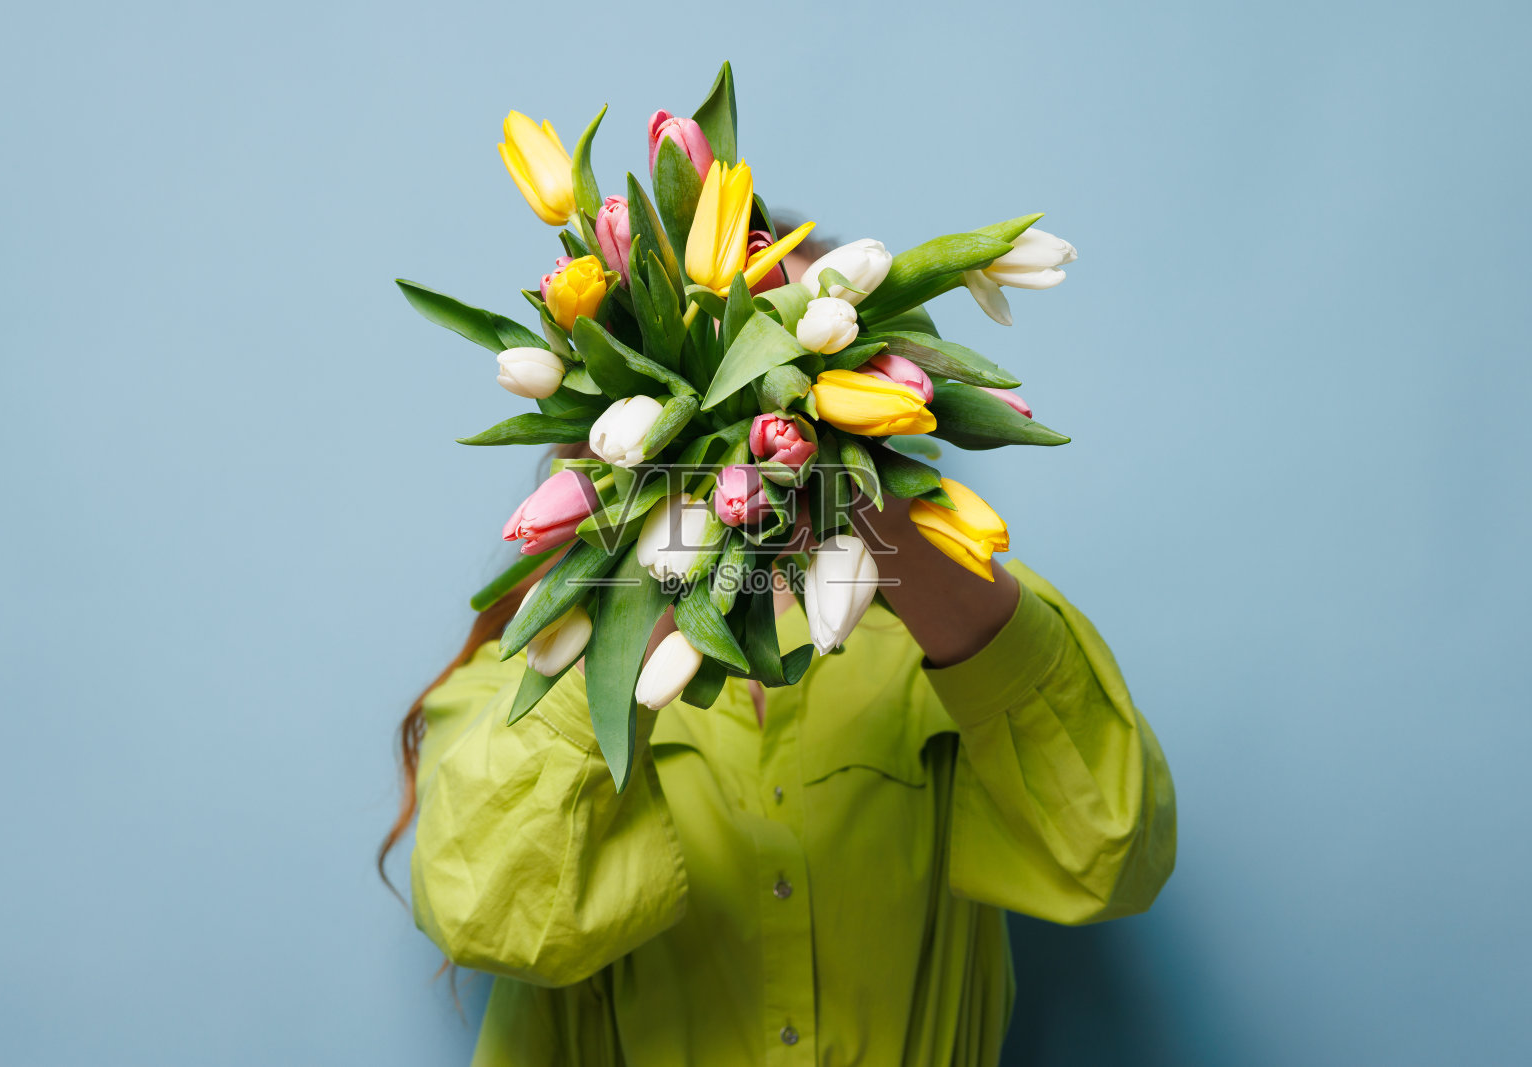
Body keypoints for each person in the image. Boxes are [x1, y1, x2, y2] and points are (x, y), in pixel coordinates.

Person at [381, 236, 1178, 1065]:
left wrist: (872, 499)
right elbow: (487, 914)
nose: (765, 422)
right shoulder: (516, 683)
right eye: (723, 374)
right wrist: (667, 524)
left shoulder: (940, 653)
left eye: (802, 374)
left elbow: (1112, 851)